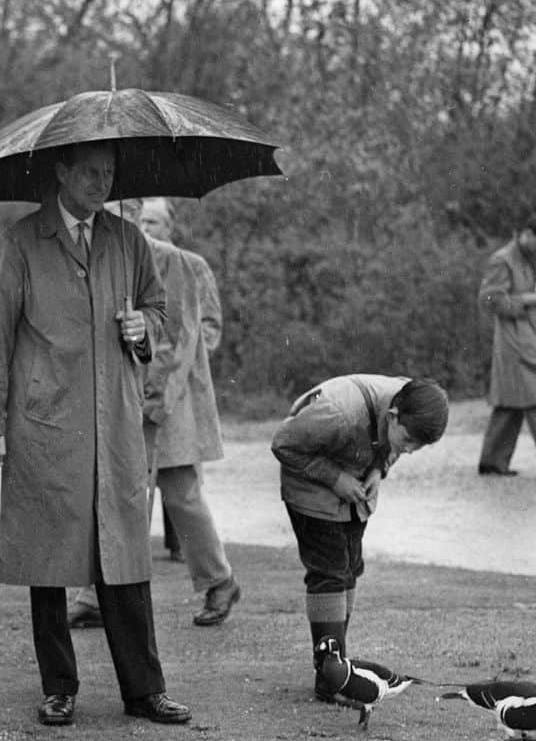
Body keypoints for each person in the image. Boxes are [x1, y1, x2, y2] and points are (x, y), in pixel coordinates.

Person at [0, 140, 191, 728]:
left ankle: (144, 690)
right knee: (48, 557)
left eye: (110, 172)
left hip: (114, 424)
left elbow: (159, 311)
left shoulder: (127, 240)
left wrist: (143, 326)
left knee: (124, 554)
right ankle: (58, 687)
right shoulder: (17, 244)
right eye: (91, 171)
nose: (102, 182)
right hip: (45, 423)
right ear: (61, 172)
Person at [68, 197, 240, 629]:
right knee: (124, 494)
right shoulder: (104, 259)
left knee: (181, 494)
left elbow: (181, 335)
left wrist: (152, 400)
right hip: (127, 399)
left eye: (123, 213)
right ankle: (99, 594)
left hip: (169, 401)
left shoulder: (173, 260)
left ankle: (219, 582)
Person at [270, 373, 448, 699]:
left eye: (418, 447)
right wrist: (335, 478)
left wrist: (380, 469)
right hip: (311, 491)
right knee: (329, 575)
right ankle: (329, 679)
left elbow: (388, 448)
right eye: (408, 441)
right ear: (393, 417)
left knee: (350, 569)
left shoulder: (411, 400)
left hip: (354, 490)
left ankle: (334, 669)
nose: (409, 451)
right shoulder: (337, 413)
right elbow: (283, 444)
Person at [476, 215, 536, 476]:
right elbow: (489, 299)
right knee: (532, 398)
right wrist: (528, 299)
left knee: (510, 405)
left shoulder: (526, 258)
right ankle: (492, 462)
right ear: (522, 233)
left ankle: (492, 462)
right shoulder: (503, 260)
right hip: (513, 344)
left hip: (526, 338)